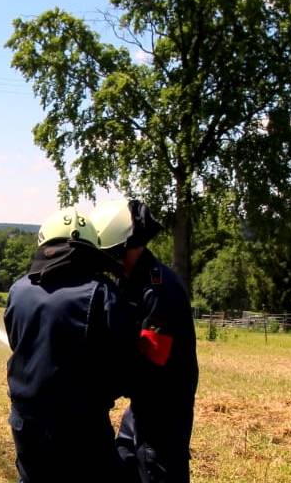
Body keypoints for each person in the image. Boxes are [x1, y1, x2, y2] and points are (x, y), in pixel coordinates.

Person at [4, 207, 141, 482]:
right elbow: (125, 366)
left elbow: (15, 340)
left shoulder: (18, 290)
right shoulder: (101, 292)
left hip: (24, 424)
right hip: (80, 429)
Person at [91, 199, 199, 483]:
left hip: (164, 412)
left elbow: (151, 363)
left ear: (123, 248)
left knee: (155, 471)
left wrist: (101, 384)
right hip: (139, 410)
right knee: (124, 467)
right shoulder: (128, 281)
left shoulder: (159, 290)